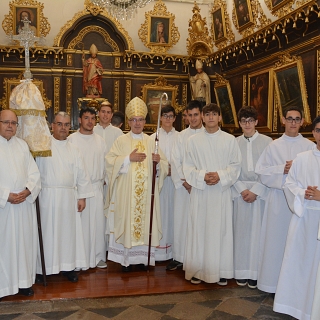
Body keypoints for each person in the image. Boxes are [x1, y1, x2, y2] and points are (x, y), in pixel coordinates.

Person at [255, 106, 314, 294]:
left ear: (303, 122)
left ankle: (294, 290)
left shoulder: (310, 147)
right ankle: (272, 284)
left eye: (297, 119)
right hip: (278, 202)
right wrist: (283, 168)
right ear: (283, 120)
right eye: (290, 119)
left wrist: (297, 174)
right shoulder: (273, 146)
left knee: (298, 245)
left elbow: (313, 177)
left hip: (301, 205)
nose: (293, 123)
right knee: (276, 243)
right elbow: (262, 173)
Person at [105, 97, 168, 270]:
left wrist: (158, 163)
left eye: (140, 120)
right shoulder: (121, 141)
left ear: (145, 121)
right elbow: (109, 162)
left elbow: (163, 167)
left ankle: (143, 259)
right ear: (129, 121)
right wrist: (127, 158)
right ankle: (126, 260)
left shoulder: (151, 142)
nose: (137, 123)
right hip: (127, 195)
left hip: (146, 197)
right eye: (134, 120)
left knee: (145, 221)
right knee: (127, 223)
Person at [183, 103, 241, 285]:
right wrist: (202, 176)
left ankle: (221, 271)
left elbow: (235, 165)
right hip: (201, 193)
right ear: (202, 117)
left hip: (220, 194)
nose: (210, 118)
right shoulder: (192, 141)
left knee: (220, 231)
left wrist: (220, 175)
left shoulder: (230, 140)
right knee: (198, 230)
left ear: (220, 118)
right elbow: (187, 166)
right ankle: (198, 270)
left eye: (214, 114)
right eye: (207, 114)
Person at [35, 112, 94, 283]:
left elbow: (82, 174)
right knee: (47, 233)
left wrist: (82, 197)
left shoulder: (74, 149)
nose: (63, 128)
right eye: (59, 124)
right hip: (47, 197)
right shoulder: (42, 147)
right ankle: (42, 269)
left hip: (68, 197)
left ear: (70, 126)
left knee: (67, 235)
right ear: (52, 125)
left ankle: (67, 267)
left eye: (66, 124)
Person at [273, 116, 320, 319]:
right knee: (301, 263)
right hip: (304, 218)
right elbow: (289, 184)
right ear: (314, 133)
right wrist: (303, 193)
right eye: (318, 130)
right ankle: (297, 306)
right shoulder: (302, 158)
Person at [0, 109, 41, 299]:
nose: (10, 126)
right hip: (4, 208)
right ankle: (3, 286)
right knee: (4, 247)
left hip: (22, 205)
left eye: (13, 123)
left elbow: (34, 173)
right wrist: (5, 195)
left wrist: (27, 190)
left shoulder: (23, 145)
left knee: (23, 245)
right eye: (6, 122)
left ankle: (24, 282)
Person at [232, 106, 272, 289]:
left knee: (258, 234)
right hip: (239, 192)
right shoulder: (234, 142)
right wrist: (241, 189)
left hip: (260, 193)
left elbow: (270, 170)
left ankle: (255, 273)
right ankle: (241, 271)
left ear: (257, 122)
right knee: (240, 234)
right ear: (239, 123)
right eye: (243, 121)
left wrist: (256, 190)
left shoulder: (268, 142)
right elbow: (231, 169)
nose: (247, 124)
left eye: (250, 121)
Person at [167, 100, 205, 271]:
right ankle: (180, 257)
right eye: (189, 115)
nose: (193, 118)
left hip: (203, 187)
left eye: (196, 114)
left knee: (200, 222)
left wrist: (197, 181)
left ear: (202, 115)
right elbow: (176, 161)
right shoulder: (181, 136)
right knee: (182, 221)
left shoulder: (209, 135)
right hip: (184, 187)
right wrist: (185, 182)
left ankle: (200, 258)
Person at [68, 107, 108, 269]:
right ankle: (79, 260)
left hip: (97, 188)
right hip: (78, 190)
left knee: (98, 224)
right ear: (79, 120)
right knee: (80, 226)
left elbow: (106, 164)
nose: (90, 121)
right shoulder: (72, 140)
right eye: (86, 118)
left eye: (93, 118)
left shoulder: (100, 141)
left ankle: (98, 256)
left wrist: (104, 179)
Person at [150, 105, 179, 261]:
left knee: (174, 215)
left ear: (175, 118)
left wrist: (172, 168)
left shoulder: (181, 137)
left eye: (171, 116)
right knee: (159, 215)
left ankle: (174, 252)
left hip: (175, 183)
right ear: (160, 118)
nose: (168, 119)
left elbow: (184, 160)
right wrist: (161, 166)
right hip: (158, 183)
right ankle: (158, 251)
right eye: (165, 116)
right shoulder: (152, 138)